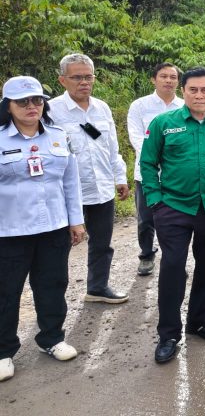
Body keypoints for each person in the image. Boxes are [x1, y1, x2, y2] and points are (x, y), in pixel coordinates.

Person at [140, 67, 205, 364]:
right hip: (173, 207)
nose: (199, 95)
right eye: (193, 90)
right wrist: (155, 200)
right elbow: (147, 163)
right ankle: (168, 334)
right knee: (173, 266)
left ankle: (199, 321)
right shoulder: (164, 123)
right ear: (183, 91)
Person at [0, 76, 86, 382]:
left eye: (37, 100)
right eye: (22, 102)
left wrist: (76, 220)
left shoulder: (58, 137)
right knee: (6, 292)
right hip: (9, 231)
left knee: (53, 285)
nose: (31, 106)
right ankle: (3, 351)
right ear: (8, 106)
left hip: (53, 227)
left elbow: (70, 182)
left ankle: (52, 338)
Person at [49, 53, 130, 305]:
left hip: (101, 188)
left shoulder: (102, 108)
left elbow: (112, 147)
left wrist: (120, 177)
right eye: (77, 77)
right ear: (62, 80)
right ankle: (51, 301)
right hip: (65, 193)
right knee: (58, 248)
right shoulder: (50, 110)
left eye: (88, 76)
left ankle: (97, 287)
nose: (84, 82)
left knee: (102, 243)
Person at [127, 63, 184, 277]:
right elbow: (136, 137)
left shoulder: (184, 106)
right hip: (147, 173)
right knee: (146, 218)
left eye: (173, 77)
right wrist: (157, 157)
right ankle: (146, 255)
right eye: (163, 76)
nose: (168, 80)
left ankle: (174, 259)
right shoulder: (140, 106)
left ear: (178, 81)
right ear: (154, 79)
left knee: (177, 217)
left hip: (177, 174)